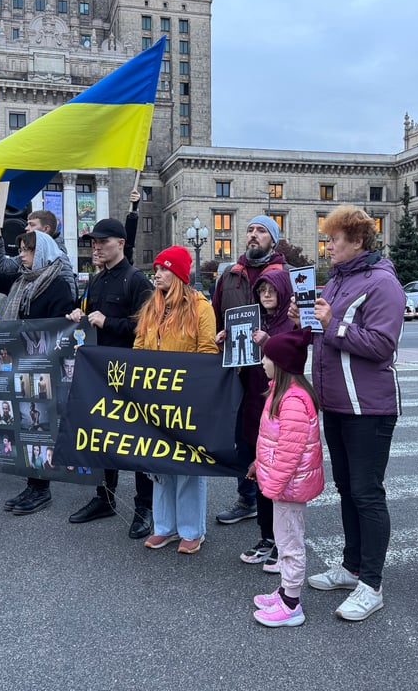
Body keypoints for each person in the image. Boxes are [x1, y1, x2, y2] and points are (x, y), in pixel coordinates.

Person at [292, 205, 405, 622]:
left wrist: (332, 322)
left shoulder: (382, 283)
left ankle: (371, 584)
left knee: (367, 493)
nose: (329, 245)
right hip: (336, 403)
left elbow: (381, 345)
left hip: (369, 407)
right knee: (346, 489)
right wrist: (305, 320)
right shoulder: (337, 280)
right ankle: (351, 565)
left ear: (357, 241)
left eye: (335, 238)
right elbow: (325, 331)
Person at [0, 224, 75, 515]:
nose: (22, 255)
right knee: (25, 427)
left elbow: (56, 330)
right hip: (18, 365)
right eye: (22, 249)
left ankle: (40, 489)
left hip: (42, 369)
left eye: (29, 250)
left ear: (44, 252)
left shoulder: (57, 283)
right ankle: (32, 484)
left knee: (38, 427)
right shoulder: (22, 281)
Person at [66, 218, 154, 539]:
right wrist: (78, 314)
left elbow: (146, 328)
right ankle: (105, 497)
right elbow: (87, 313)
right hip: (99, 374)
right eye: (94, 242)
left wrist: (108, 322)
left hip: (129, 374)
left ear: (120, 242)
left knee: (139, 441)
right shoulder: (96, 280)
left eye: (103, 242)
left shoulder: (137, 281)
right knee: (103, 438)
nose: (97, 247)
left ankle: (145, 506)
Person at [136, 246, 218, 554]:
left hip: (186, 398)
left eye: (164, 268)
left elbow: (208, 350)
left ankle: (191, 529)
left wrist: (190, 388)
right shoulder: (151, 308)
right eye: (156, 268)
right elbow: (140, 346)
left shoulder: (201, 307)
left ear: (180, 274)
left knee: (187, 465)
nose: (156, 273)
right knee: (158, 461)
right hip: (154, 398)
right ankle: (164, 527)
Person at [211, 215, 287, 525]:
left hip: (271, 372)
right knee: (241, 435)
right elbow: (217, 315)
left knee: (270, 435)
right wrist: (219, 339)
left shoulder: (285, 276)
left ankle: (272, 498)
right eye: (251, 230)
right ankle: (247, 497)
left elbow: (297, 323)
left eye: (261, 231)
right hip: (237, 369)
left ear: (273, 240)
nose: (254, 236)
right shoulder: (229, 275)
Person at [250, 327, 324, 628]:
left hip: (288, 488)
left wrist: (273, 486)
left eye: (267, 357)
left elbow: (289, 453)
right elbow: (271, 441)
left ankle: (292, 603)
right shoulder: (280, 392)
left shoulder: (292, 401)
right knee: (285, 539)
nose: (263, 361)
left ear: (281, 365)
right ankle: (283, 592)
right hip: (284, 485)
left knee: (290, 544)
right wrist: (258, 464)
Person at [233, 268, 295, 572]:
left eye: (271, 289)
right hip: (254, 407)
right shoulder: (255, 319)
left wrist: (268, 342)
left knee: (277, 480)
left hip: (280, 409)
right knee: (259, 477)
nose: (266, 295)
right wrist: (229, 343)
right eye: (261, 290)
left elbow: (293, 360)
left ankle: (281, 543)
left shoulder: (290, 323)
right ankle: (266, 537)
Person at [0, 209, 77, 300]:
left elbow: (69, 295)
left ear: (46, 229)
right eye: (27, 224)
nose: (26, 228)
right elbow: (2, 266)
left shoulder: (59, 258)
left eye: (32, 224)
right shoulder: (29, 253)